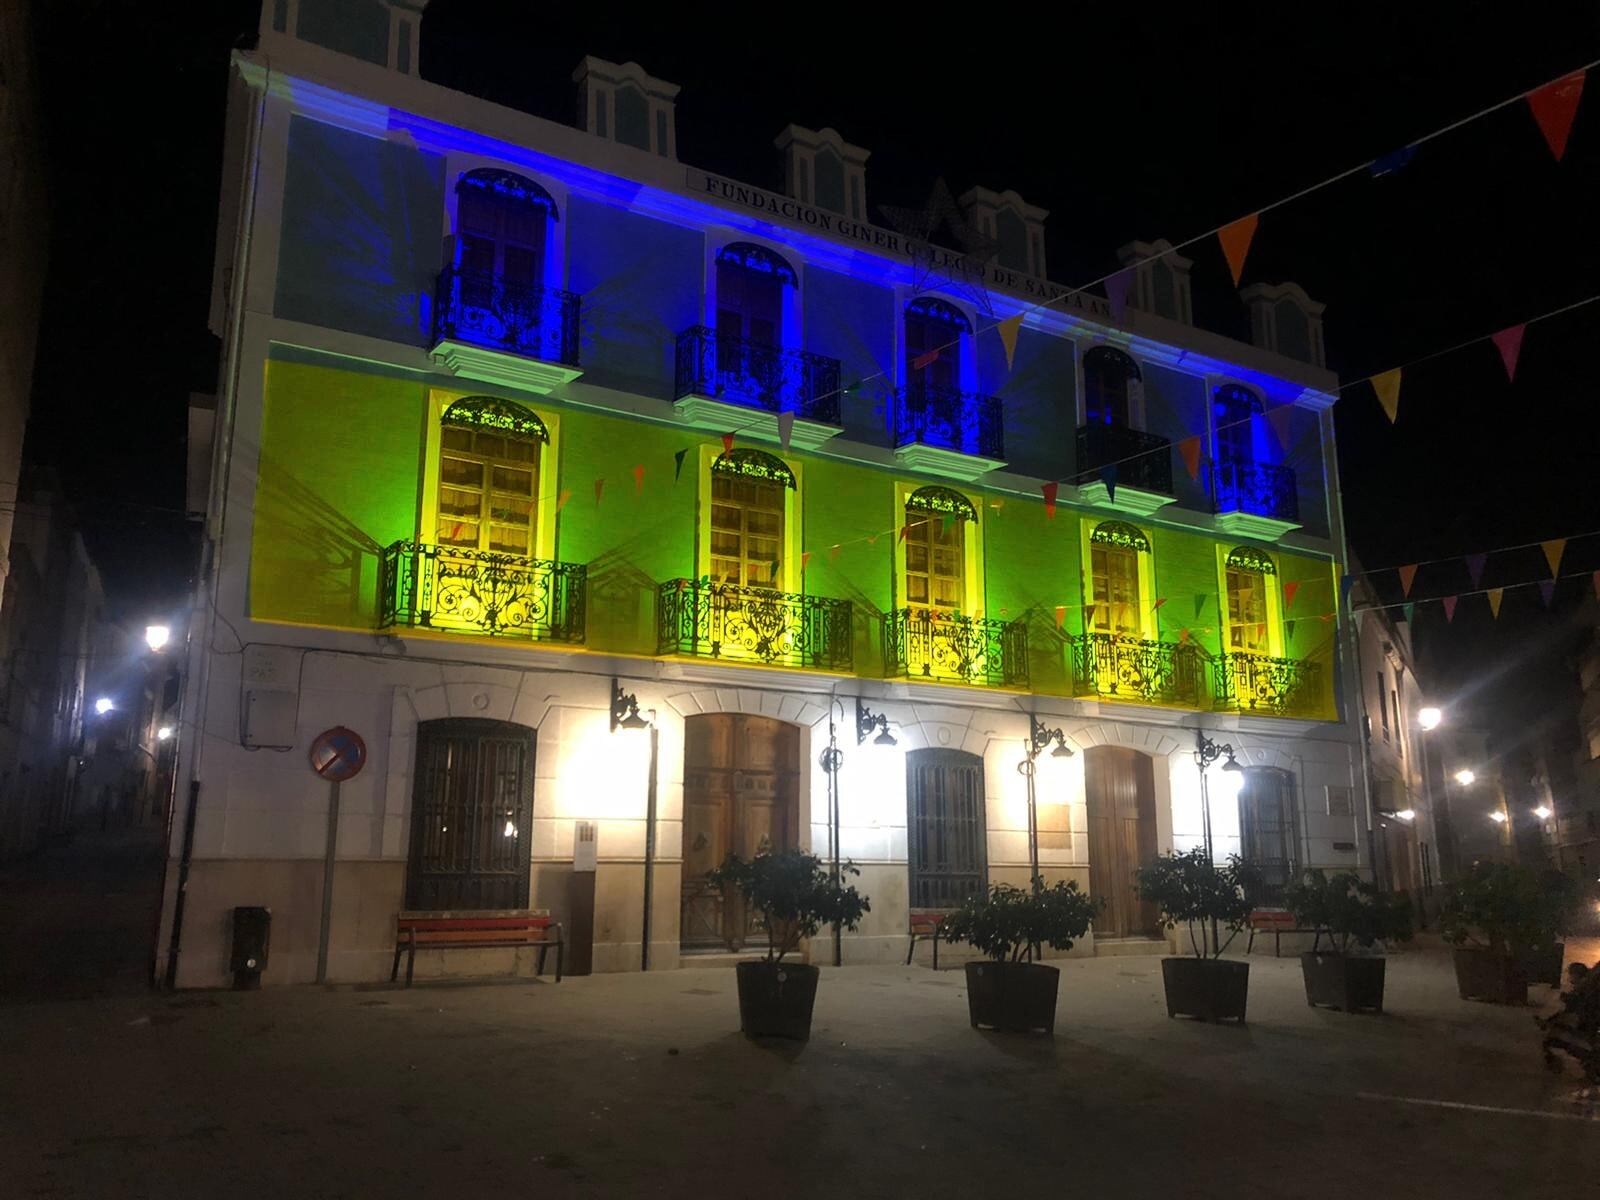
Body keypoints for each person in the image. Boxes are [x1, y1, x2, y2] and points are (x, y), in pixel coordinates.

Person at [1539, 961, 1600, 1082]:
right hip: (1588, 1017)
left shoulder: (1591, 982)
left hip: (1588, 1018)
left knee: (1560, 1039)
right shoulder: (1591, 980)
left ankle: (1593, 1066)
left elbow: (1582, 1001)